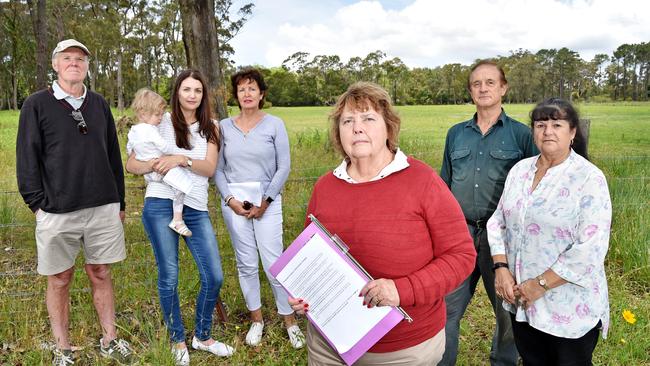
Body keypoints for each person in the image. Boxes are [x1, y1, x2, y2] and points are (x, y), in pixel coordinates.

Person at [289, 82, 476, 365]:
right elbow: (312, 256)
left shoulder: (423, 181)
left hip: (401, 348)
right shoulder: (325, 187)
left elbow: (461, 256)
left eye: (368, 118)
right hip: (330, 344)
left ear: (388, 127)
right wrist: (304, 293)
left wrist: (402, 290)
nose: (357, 128)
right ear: (338, 133)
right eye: (347, 121)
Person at [16, 39, 133, 365]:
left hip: (102, 208)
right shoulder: (36, 105)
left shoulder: (98, 104)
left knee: (101, 273)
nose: (74, 63)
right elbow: (27, 159)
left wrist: (119, 202)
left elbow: (113, 155)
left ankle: (110, 339)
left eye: (80, 59)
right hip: (57, 211)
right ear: (55, 65)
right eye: (67, 58)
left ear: (86, 66)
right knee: (60, 279)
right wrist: (38, 206)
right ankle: (62, 348)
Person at [488, 98, 611, 365]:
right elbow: (498, 220)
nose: (548, 131)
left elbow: (590, 247)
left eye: (557, 124)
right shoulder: (520, 171)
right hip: (523, 301)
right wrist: (501, 268)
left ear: (573, 132)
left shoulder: (589, 178)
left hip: (568, 307)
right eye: (541, 124)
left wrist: (541, 284)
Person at [126, 70, 234, 366]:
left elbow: (209, 168)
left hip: (196, 207)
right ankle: (177, 340)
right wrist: (154, 164)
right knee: (169, 275)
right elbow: (132, 164)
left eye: (197, 90)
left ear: (203, 95)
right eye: (186, 89)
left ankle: (203, 335)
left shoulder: (211, 127)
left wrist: (180, 159)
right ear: (177, 92)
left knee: (213, 275)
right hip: (160, 203)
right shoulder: (158, 122)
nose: (192, 95)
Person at [439, 59, 537, 366]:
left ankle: (504, 362)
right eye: (476, 83)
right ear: (470, 90)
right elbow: (444, 185)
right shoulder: (456, 134)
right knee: (444, 310)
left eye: (490, 82)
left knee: (507, 312)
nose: (483, 88)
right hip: (460, 235)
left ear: (503, 88)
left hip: (504, 240)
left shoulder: (522, 136)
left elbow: (533, 190)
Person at [214, 67, 304, 349]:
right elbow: (217, 169)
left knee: (274, 263)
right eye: (242, 89)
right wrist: (230, 200)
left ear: (261, 93)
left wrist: (266, 201)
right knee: (246, 263)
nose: (247, 93)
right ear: (236, 96)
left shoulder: (274, 124)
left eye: (252, 88)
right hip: (234, 202)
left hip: (267, 199)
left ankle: (289, 320)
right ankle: (257, 320)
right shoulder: (223, 127)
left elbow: (284, 166)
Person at [127, 88, 193, 237]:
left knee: (175, 187)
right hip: (161, 167)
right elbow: (164, 146)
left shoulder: (133, 131)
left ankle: (177, 219)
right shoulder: (151, 130)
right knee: (181, 188)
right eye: (157, 114)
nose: (160, 118)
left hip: (149, 173)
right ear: (143, 114)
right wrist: (174, 154)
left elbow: (129, 150)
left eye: (162, 114)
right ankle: (177, 219)